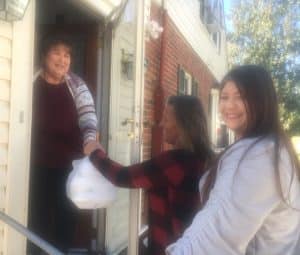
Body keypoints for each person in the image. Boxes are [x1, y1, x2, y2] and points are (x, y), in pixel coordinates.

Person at [166, 65, 300, 255]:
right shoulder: (271, 146)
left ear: (262, 102)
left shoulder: (258, 157)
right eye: (224, 97)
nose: (229, 105)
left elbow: (216, 235)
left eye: (241, 97)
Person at [88, 95, 214, 255]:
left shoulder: (175, 162)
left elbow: (122, 176)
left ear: (183, 124)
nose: (161, 124)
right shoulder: (208, 160)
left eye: (166, 119)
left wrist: (94, 153)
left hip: (170, 248)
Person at [28, 34, 98, 253]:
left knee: (66, 219)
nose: (63, 59)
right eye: (56, 52)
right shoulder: (28, 81)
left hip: (69, 166)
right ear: (43, 56)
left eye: (67, 54)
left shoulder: (77, 85)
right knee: (35, 218)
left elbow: (88, 119)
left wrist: (91, 142)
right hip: (34, 165)